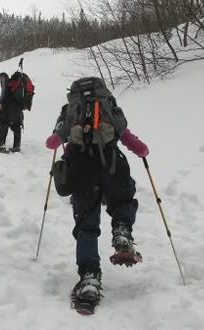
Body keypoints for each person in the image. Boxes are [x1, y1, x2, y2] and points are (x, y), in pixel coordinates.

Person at [44, 77, 150, 312]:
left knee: (86, 224)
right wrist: (140, 149)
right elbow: (125, 134)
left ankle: (89, 278)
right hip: (112, 165)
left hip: (82, 170)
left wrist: (55, 141)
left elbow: (56, 138)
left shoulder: (69, 110)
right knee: (123, 199)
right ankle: (122, 229)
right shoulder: (109, 105)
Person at [0, 72, 25, 153]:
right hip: (17, 109)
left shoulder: (5, 82)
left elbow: (4, 94)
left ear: (2, 76)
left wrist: (0, 103)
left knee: (4, 124)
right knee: (16, 126)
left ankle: (1, 145)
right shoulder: (14, 84)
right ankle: (16, 146)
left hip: (7, 108)